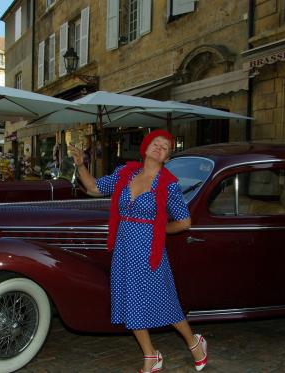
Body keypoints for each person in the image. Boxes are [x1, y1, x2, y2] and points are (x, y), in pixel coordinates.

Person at [68, 130, 208, 373]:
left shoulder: (169, 184)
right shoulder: (126, 173)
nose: (159, 148)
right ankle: (150, 355)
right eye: (156, 143)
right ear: (145, 147)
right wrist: (81, 165)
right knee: (131, 302)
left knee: (165, 301)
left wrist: (159, 231)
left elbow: (184, 222)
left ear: (166, 157)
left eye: (165, 147)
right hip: (124, 251)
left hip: (149, 252)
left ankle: (194, 343)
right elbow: (92, 188)